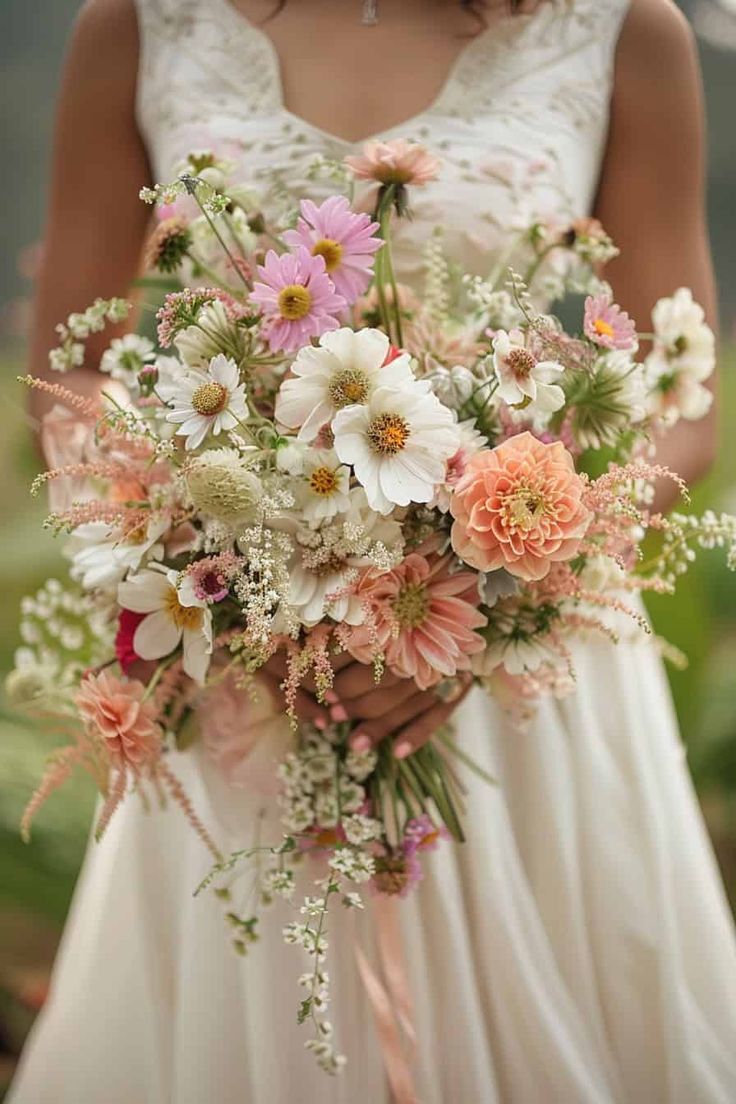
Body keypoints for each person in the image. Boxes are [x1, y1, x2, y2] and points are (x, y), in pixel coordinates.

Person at [9, 1, 736, 1101]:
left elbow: (682, 399)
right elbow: (72, 371)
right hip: (251, 675)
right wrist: (224, 553)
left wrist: (486, 593)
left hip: (528, 677)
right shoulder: (141, 23)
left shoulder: (624, 30)